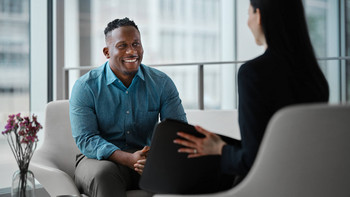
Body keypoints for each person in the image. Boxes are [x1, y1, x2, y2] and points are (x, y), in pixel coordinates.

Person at [174, 0, 329, 191]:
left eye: (249, 14)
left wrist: (219, 149)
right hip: (314, 185)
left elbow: (252, 160)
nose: (247, 22)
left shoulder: (253, 74)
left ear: (259, 16)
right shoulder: (316, 78)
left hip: (267, 187)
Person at [69, 17, 187, 197]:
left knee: (176, 174)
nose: (132, 51)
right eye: (122, 45)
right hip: (98, 160)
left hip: (145, 159)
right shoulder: (86, 87)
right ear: (107, 52)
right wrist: (128, 159)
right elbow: (86, 138)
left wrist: (155, 157)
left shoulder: (162, 83)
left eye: (136, 44)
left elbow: (178, 131)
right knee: (104, 175)